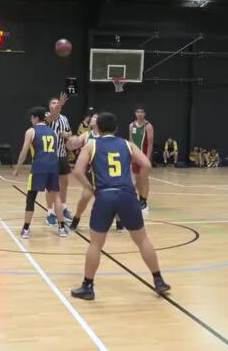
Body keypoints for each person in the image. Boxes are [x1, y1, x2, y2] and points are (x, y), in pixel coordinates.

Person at [70, 112, 170, 300]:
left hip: (105, 196)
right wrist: (139, 184)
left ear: (97, 127)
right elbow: (147, 164)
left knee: (96, 244)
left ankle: (88, 286)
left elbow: (77, 171)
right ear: (116, 128)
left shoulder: (92, 145)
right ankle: (158, 280)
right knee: (142, 240)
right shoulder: (127, 144)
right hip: (127, 195)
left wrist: (90, 188)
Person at [13, 106, 69, 238]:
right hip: (53, 167)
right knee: (56, 197)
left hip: (38, 167)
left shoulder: (31, 131)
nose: (31, 120)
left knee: (31, 198)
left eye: (31, 118)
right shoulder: (52, 132)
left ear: (36, 118)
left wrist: (17, 168)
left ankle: (26, 229)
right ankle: (61, 228)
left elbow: (24, 151)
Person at [45, 92, 74, 225]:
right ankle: (50, 212)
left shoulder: (64, 118)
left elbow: (70, 132)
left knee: (64, 183)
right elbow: (52, 118)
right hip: (50, 156)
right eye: (53, 103)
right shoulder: (46, 116)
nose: (56, 104)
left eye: (58, 102)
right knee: (51, 186)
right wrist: (61, 105)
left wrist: (66, 134)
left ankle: (63, 207)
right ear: (49, 106)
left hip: (62, 155)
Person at [129, 105, 154, 211]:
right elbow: (130, 141)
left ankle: (144, 201)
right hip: (135, 157)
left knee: (144, 179)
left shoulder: (148, 126)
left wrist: (147, 158)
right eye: (138, 111)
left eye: (142, 112)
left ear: (145, 114)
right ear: (135, 113)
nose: (140, 113)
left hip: (144, 157)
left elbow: (150, 144)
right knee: (138, 180)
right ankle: (140, 199)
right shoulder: (131, 125)